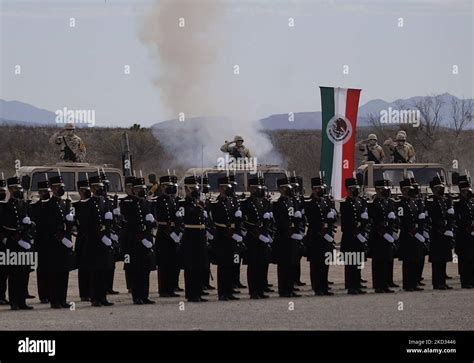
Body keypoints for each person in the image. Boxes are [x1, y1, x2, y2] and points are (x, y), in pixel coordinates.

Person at [120, 177, 156, 304]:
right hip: (134, 240)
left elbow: (148, 222)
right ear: (133, 190)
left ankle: (145, 295)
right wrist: (141, 237)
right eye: (139, 189)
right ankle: (137, 296)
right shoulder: (128, 202)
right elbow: (130, 223)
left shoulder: (145, 202)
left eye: (143, 189)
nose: (142, 191)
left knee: (145, 268)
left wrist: (151, 223)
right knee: (136, 268)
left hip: (146, 238)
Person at [42, 175, 76, 308]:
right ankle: (54, 300)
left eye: (61, 187)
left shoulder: (64, 203)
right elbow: (49, 225)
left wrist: (70, 221)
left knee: (64, 273)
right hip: (55, 244)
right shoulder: (49, 205)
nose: (60, 189)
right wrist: (61, 238)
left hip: (64, 244)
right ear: (52, 189)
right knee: (55, 273)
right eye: (57, 187)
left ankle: (62, 299)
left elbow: (68, 224)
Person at [1, 176, 35, 310]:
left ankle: (22, 301)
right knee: (14, 274)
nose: (18, 191)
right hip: (13, 244)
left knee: (24, 273)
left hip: (24, 243)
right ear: (10, 189)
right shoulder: (5, 206)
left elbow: (29, 223)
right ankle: (14, 301)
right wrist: (8, 239)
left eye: (19, 188)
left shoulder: (23, 204)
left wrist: (29, 225)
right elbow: (3, 226)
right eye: (15, 188)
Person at [210, 176, 243, 301]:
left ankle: (229, 290)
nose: (228, 189)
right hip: (222, 237)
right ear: (220, 188)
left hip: (232, 237)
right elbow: (218, 221)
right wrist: (229, 233)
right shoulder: (216, 203)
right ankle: (222, 292)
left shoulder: (232, 202)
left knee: (231, 265)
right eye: (225, 187)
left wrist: (237, 224)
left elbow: (234, 220)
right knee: (223, 266)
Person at [241, 175, 272, 299]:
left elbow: (268, 220)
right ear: (250, 189)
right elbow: (244, 221)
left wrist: (267, 231)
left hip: (263, 237)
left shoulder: (265, 202)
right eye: (255, 188)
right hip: (253, 238)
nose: (258, 190)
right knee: (253, 265)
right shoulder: (246, 203)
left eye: (259, 188)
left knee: (261, 264)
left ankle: (260, 289)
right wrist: (257, 232)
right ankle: (253, 291)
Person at [305, 175, 336, 296]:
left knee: (325, 264)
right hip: (316, 237)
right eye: (318, 188)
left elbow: (329, 219)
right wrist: (323, 232)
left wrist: (332, 217)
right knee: (316, 264)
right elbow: (313, 222)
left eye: (321, 188)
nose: (320, 190)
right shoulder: (310, 203)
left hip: (326, 237)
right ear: (313, 189)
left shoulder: (325, 202)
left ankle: (324, 285)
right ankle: (317, 287)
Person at [272, 176, 303, 298]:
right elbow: (281, 222)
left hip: (292, 238)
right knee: (283, 265)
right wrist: (290, 232)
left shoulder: (292, 202)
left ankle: (290, 288)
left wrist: (297, 225)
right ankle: (283, 290)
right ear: (281, 189)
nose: (288, 190)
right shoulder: (279, 203)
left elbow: (294, 219)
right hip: (283, 238)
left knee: (291, 264)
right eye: (285, 188)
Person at [180, 176, 208, 302]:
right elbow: (188, 215)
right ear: (186, 189)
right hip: (190, 235)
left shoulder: (196, 202)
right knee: (191, 266)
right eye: (192, 189)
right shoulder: (183, 203)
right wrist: (199, 207)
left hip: (200, 235)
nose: (195, 191)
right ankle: (191, 293)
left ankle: (198, 291)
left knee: (199, 265)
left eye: (196, 188)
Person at [154, 174, 182, 297]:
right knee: (163, 264)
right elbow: (159, 218)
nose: (169, 189)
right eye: (166, 186)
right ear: (162, 187)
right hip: (164, 234)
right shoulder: (158, 200)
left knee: (173, 262)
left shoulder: (174, 200)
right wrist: (170, 231)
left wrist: (177, 231)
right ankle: (163, 290)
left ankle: (171, 288)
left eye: (170, 186)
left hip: (173, 233)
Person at [340, 177, 369, 295]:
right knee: (351, 264)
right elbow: (346, 223)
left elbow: (363, 219)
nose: (355, 191)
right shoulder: (346, 204)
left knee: (357, 263)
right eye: (352, 189)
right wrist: (356, 232)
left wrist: (364, 226)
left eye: (356, 188)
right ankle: (351, 286)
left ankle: (357, 284)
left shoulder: (360, 202)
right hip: (350, 238)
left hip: (359, 236)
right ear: (348, 190)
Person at [368, 179, 397, 293]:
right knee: (378, 261)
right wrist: (382, 231)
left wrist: (392, 227)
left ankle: (385, 284)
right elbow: (373, 220)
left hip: (388, 235)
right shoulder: (374, 203)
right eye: (383, 189)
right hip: (378, 237)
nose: (385, 191)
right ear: (377, 190)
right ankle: (378, 285)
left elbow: (393, 218)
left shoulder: (389, 202)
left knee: (386, 260)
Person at [397, 178, 426, 292]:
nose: (408, 191)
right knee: (408, 261)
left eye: (409, 189)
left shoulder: (414, 202)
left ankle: (414, 282)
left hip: (416, 234)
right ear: (402, 190)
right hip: (407, 235)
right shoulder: (400, 203)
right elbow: (401, 220)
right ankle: (407, 284)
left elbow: (417, 217)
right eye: (406, 189)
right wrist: (413, 232)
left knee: (415, 259)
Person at [427, 176, 455, 290]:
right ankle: (437, 282)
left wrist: (449, 227)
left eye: (441, 187)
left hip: (444, 235)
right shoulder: (431, 201)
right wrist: (442, 229)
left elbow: (447, 217)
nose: (441, 190)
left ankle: (442, 281)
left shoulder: (444, 201)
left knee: (443, 260)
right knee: (437, 260)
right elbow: (432, 219)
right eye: (438, 188)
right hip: (437, 235)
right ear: (433, 189)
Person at [30, 179, 52, 303]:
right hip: (40, 242)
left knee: (51, 269)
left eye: (47, 191)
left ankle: (50, 293)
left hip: (51, 242)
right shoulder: (34, 207)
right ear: (40, 192)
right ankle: (43, 295)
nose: (46, 193)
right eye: (44, 192)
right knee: (42, 270)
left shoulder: (52, 205)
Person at [454, 175, 474, 288]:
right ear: (461, 192)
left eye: (468, 190)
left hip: (471, 236)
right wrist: (467, 226)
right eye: (465, 191)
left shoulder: (471, 203)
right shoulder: (458, 204)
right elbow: (459, 219)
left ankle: (471, 280)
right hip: (463, 236)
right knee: (464, 259)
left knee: (472, 259)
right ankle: (465, 281)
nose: (467, 193)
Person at [0, 177, 9, 305]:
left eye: (3, 190)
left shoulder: (6, 206)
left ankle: (2, 295)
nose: (2, 192)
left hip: (4, 245)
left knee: (3, 272)